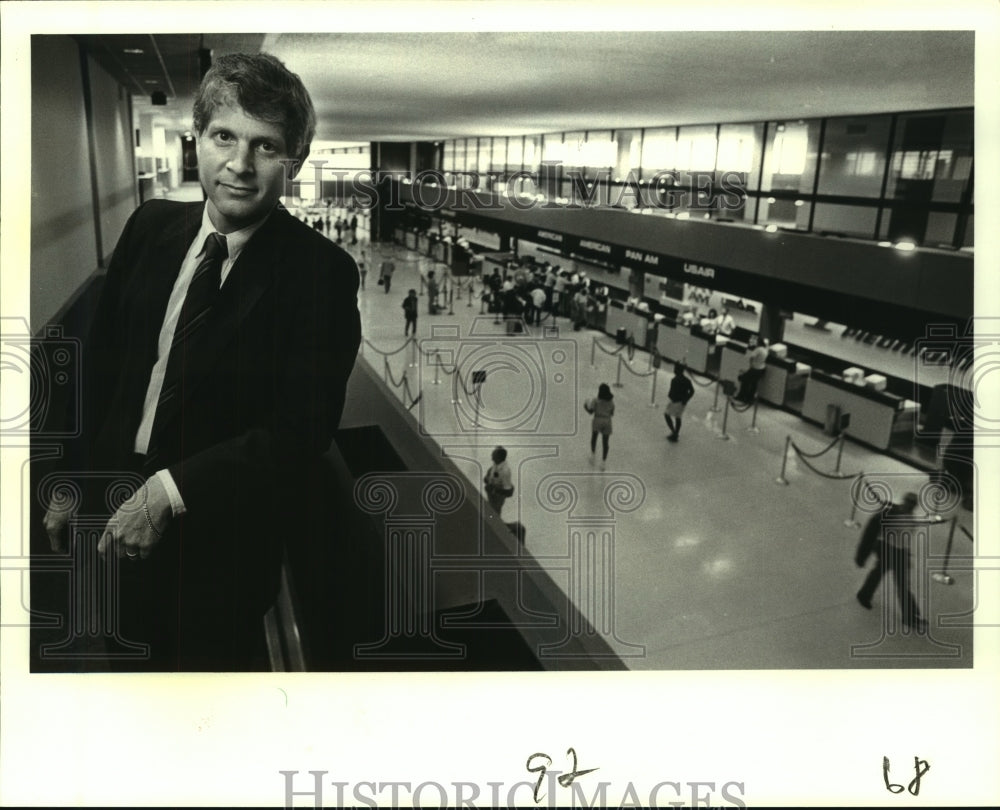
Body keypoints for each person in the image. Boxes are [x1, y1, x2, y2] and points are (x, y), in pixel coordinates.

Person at [40, 52, 362, 672]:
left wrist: (168, 492)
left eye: (265, 147)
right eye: (224, 137)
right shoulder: (150, 225)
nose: (239, 166)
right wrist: (68, 477)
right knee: (124, 666)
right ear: (198, 138)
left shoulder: (319, 273)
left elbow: (300, 431)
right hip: (108, 512)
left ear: (292, 161)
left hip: (215, 552)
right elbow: (101, 364)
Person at [855, 492, 927, 631]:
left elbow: (905, 538)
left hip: (899, 552)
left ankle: (910, 615)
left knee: (896, 582)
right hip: (888, 549)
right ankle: (864, 596)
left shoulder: (910, 518)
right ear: (904, 501)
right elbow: (874, 531)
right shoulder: (892, 514)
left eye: (913, 504)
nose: (910, 506)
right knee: (882, 576)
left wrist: (906, 554)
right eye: (909, 503)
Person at [584, 383, 616, 469]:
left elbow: (591, 411)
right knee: (605, 442)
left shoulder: (596, 400)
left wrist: (585, 406)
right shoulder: (611, 402)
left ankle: (593, 456)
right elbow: (612, 413)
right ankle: (603, 462)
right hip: (607, 421)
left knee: (594, 438)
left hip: (597, 420)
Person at [664, 363, 695, 442]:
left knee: (667, 415)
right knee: (678, 417)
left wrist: (671, 398)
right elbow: (692, 391)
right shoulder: (687, 380)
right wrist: (686, 399)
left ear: (677, 370)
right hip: (682, 402)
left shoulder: (674, 380)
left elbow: (671, 393)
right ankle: (676, 432)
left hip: (674, 401)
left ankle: (674, 432)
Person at [483, 446, 514, 519]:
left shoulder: (505, 471)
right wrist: (488, 479)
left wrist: (495, 489)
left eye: (494, 454)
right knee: (491, 512)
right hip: (492, 494)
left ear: (499, 457)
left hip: (497, 497)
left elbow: (508, 491)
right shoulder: (495, 466)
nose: (492, 455)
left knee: (494, 514)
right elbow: (488, 476)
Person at [736, 334, 769, 402]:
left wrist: (751, 365)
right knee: (754, 384)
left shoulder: (758, 349)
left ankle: (741, 397)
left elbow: (751, 357)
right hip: (761, 369)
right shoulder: (765, 349)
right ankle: (749, 399)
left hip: (755, 369)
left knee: (744, 381)